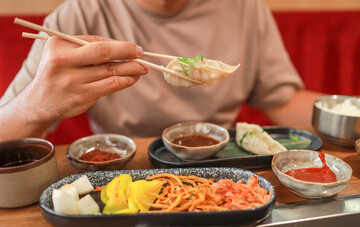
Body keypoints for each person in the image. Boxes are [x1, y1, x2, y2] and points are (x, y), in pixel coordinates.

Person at [0, 0, 324, 141]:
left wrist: (349, 115)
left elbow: (283, 100)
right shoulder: (80, 14)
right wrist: (35, 107)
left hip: (218, 164)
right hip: (124, 170)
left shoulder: (244, 8)